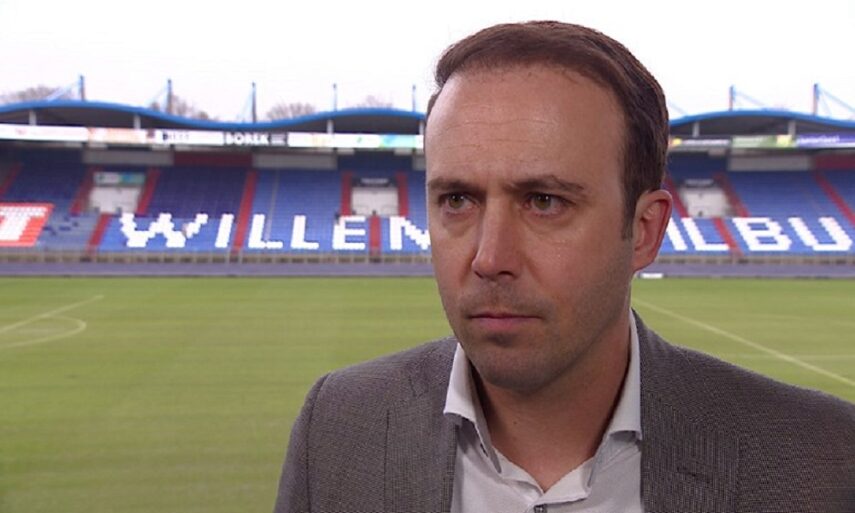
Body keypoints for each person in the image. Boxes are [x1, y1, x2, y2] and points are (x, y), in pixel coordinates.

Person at [274, 21, 855, 513]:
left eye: (544, 202)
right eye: (457, 200)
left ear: (644, 230)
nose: (490, 258)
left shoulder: (822, 461)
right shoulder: (337, 428)